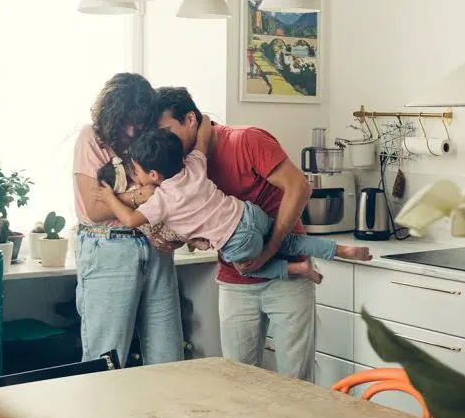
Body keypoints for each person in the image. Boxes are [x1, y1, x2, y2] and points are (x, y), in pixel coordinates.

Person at [154, 86, 319, 380]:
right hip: (236, 280)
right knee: (238, 382)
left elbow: (299, 187)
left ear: (190, 119)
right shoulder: (180, 165)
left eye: (167, 131)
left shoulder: (246, 140)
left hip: (288, 276)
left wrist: (268, 251)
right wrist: (178, 237)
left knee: (297, 383)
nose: (163, 141)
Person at [97, 118, 371, 282]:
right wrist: (203, 119)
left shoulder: (162, 199)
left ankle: (297, 268)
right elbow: (203, 138)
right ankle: (341, 250)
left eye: (136, 172)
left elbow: (131, 220)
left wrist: (110, 197)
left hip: (234, 241)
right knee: (289, 241)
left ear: (154, 175)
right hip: (249, 214)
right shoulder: (194, 166)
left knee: (246, 268)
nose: (136, 177)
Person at [71, 73, 183, 368]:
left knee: (169, 358)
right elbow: (95, 209)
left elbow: (173, 192)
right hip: (108, 248)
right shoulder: (91, 138)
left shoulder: (150, 140)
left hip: (154, 246)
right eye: (126, 122)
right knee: (106, 358)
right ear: (111, 114)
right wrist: (143, 196)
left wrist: (143, 202)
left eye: (140, 122)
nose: (132, 131)